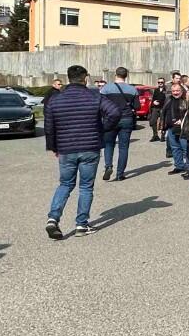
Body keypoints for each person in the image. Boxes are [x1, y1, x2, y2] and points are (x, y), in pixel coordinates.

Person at [43, 64, 119, 239]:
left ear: (68, 78)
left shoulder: (55, 99)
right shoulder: (94, 96)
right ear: (85, 78)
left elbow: (49, 126)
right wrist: (101, 130)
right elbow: (114, 113)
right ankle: (81, 224)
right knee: (85, 186)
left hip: (66, 148)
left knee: (65, 184)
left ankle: (53, 219)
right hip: (90, 147)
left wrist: (54, 147)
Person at [100, 68, 139, 181]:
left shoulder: (106, 88)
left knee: (108, 145)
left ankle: (108, 166)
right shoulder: (132, 89)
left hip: (110, 119)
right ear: (126, 76)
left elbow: (100, 104)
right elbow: (137, 107)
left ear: (115, 75)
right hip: (126, 119)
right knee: (123, 147)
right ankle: (120, 174)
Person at [162, 82, 188, 174]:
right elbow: (164, 112)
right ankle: (179, 166)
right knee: (175, 147)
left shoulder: (186, 100)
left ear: (182, 91)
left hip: (183, 128)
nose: (175, 92)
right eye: (173, 91)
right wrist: (162, 126)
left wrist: (182, 120)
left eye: (177, 90)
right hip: (171, 127)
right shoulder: (168, 99)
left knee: (186, 148)